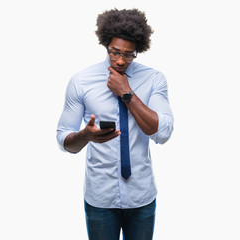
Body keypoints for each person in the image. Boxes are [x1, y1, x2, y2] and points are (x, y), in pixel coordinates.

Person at [56, 8, 174, 240]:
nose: (121, 60)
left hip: (141, 196)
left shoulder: (154, 79)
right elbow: (64, 140)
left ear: (138, 51)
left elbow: (162, 132)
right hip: (100, 197)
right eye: (114, 52)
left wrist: (126, 92)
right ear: (105, 45)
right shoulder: (81, 81)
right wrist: (85, 136)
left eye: (129, 55)